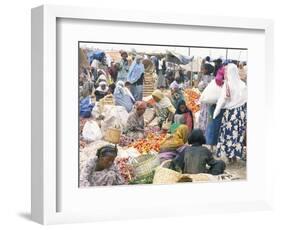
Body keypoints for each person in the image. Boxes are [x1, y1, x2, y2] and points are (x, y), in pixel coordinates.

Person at [214, 63, 247, 162]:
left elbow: (222, 100)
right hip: (240, 114)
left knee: (228, 134)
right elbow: (246, 99)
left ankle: (229, 157)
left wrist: (216, 112)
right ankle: (235, 157)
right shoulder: (243, 85)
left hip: (230, 114)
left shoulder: (228, 85)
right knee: (238, 134)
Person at [198, 63, 215, 133]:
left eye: (203, 69)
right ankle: (208, 130)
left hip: (205, 99)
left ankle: (203, 130)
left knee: (204, 114)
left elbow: (200, 88)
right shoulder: (214, 78)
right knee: (209, 114)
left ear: (207, 70)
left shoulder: (204, 78)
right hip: (211, 100)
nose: (202, 70)